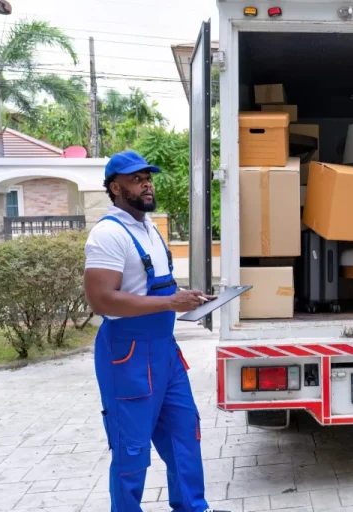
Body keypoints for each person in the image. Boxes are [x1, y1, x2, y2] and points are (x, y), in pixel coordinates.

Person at [83, 150, 227, 512]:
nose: (146, 184)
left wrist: (187, 298)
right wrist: (168, 303)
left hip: (164, 350)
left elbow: (153, 289)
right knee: (132, 449)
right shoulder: (108, 234)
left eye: (148, 178)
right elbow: (101, 299)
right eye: (136, 179)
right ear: (115, 188)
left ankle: (193, 508)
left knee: (184, 434)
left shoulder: (148, 229)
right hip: (128, 354)